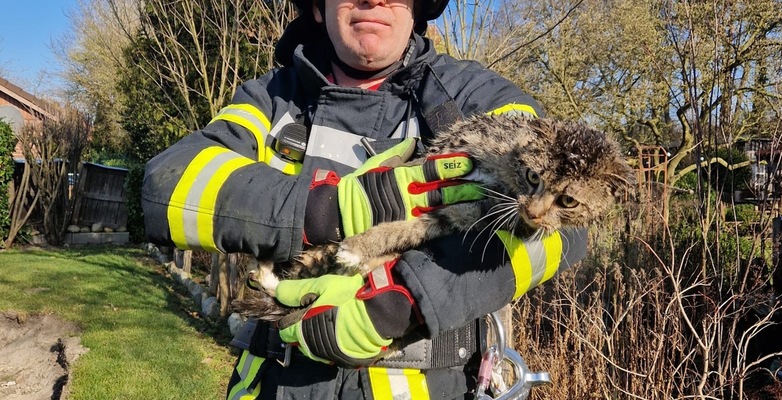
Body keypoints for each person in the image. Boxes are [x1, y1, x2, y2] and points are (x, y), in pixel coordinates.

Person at [141, 0, 588, 397]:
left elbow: (566, 233)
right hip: (277, 379)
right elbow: (168, 185)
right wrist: (326, 210)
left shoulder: (474, 95)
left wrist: (403, 301)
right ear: (317, 8)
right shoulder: (271, 99)